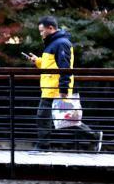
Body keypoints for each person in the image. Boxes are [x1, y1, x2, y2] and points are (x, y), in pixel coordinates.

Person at [26, 16, 101, 152]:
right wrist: (37, 61)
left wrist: (64, 88)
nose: (41, 34)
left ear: (51, 28)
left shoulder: (60, 43)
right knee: (66, 117)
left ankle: (43, 147)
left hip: (55, 88)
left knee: (44, 116)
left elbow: (65, 67)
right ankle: (94, 136)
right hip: (52, 87)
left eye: (42, 31)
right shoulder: (54, 43)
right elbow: (51, 65)